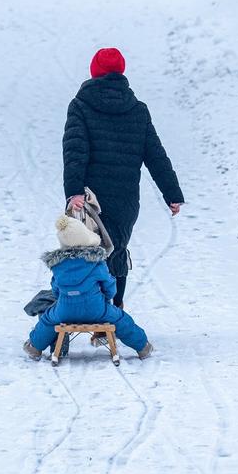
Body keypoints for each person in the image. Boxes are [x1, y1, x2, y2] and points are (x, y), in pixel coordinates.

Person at [62, 47, 184, 309]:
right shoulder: (137, 110)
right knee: (116, 249)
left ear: (94, 72)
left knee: (88, 253)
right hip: (126, 200)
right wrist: (172, 194)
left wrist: (74, 192)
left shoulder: (81, 106)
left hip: (90, 198)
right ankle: (114, 309)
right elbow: (155, 155)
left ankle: (95, 312)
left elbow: (74, 151)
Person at [23, 215, 152, 360]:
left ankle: (34, 347)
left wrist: (63, 298)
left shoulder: (58, 265)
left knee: (47, 320)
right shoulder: (96, 262)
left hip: (65, 310)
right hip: (96, 309)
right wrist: (106, 298)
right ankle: (143, 346)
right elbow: (109, 285)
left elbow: (56, 289)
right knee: (121, 319)